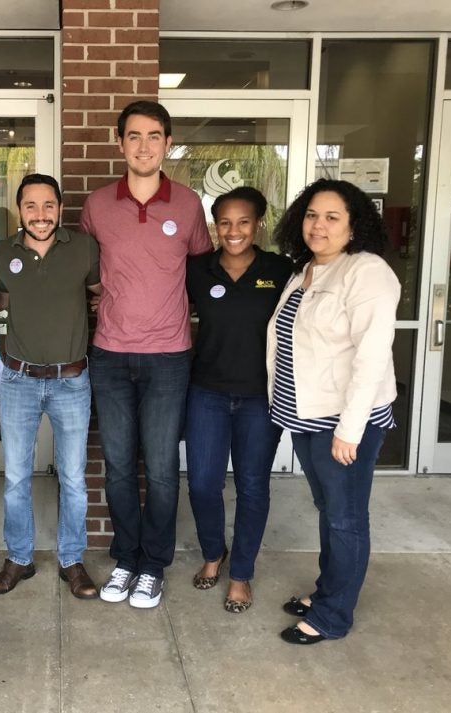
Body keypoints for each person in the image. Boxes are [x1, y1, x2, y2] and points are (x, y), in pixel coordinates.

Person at [80, 100, 212, 608]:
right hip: (110, 355)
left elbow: (202, 272)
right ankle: (126, 560)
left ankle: (153, 565)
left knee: (158, 468)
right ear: (120, 143)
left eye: (153, 136)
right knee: (116, 467)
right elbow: (82, 267)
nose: (143, 145)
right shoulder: (97, 205)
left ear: (167, 143)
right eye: (133, 136)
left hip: (169, 357)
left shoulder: (187, 204)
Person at [266, 178, 400, 644]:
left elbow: (372, 356)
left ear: (354, 224)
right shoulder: (306, 270)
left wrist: (351, 429)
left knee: (345, 517)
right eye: (310, 215)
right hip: (305, 416)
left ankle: (332, 617)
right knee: (328, 510)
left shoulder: (368, 272)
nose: (317, 225)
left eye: (331, 217)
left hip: (342, 423)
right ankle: (327, 591)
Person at [0, 174, 101, 599]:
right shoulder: (2, 253)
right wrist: (2, 347)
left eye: (48, 205)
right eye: (30, 205)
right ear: (20, 209)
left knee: (72, 477)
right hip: (19, 379)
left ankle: (72, 560)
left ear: (60, 207)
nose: (40, 214)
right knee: (16, 477)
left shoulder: (84, 248)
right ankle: (19, 558)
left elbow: (99, 294)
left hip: (71, 379)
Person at [184, 186, 293, 612]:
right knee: (202, 484)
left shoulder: (280, 270)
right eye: (224, 222)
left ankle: (242, 573)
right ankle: (215, 553)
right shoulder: (198, 269)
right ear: (215, 225)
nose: (233, 231)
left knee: (252, 487)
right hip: (206, 393)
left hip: (260, 400)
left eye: (243, 221)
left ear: (258, 223)